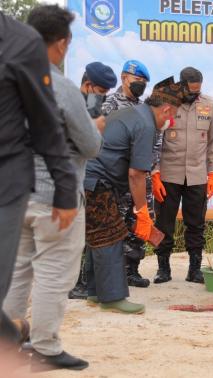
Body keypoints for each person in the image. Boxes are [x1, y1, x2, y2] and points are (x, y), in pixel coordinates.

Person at [2, 5, 103, 371]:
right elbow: (90, 146)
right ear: (61, 44)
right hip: (54, 200)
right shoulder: (60, 87)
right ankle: (44, 346)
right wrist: (95, 128)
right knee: (53, 276)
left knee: (16, 271)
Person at [0, 10, 77, 350]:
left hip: (12, 187)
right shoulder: (61, 84)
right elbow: (84, 141)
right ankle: (28, 338)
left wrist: (65, 187)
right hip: (28, 191)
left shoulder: (18, 48)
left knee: (14, 273)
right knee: (41, 273)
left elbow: (42, 126)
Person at [83, 77, 185, 314]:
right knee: (111, 236)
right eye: (172, 116)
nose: (169, 122)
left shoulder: (133, 113)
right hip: (99, 181)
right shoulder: (146, 124)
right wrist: (143, 212)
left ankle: (95, 292)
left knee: (100, 234)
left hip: (89, 178)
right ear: (167, 108)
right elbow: (137, 175)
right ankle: (112, 298)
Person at [152, 67, 213, 284]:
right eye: (190, 91)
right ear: (181, 85)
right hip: (168, 175)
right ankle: (163, 268)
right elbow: (154, 141)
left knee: (196, 224)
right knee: (164, 223)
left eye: (197, 90)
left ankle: (195, 269)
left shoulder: (209, 106)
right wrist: (154, 172)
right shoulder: (165, 103)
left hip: (197, 176)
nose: (194, 94)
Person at [102, 60, 154, 288]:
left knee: (138, 223)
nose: (140, 85)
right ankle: (108, 274)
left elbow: (154, 140)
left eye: (144, 82)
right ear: (124, 78)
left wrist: (156, 167)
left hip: (140, 175)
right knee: (113, 225)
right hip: (116, 177)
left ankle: (131, 269)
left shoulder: (144, 108)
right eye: (137, 80)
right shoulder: (109, 103)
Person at [69, 62, 118, 300]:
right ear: (88, 85)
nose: (101, 98)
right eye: (100, 93)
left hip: (84, 182)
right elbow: (89, 148)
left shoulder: (92, 109)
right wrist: (93, 130)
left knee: (85, 234)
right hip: (65, 185)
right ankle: (73, 284)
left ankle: (82, 284)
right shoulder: (72, 105)